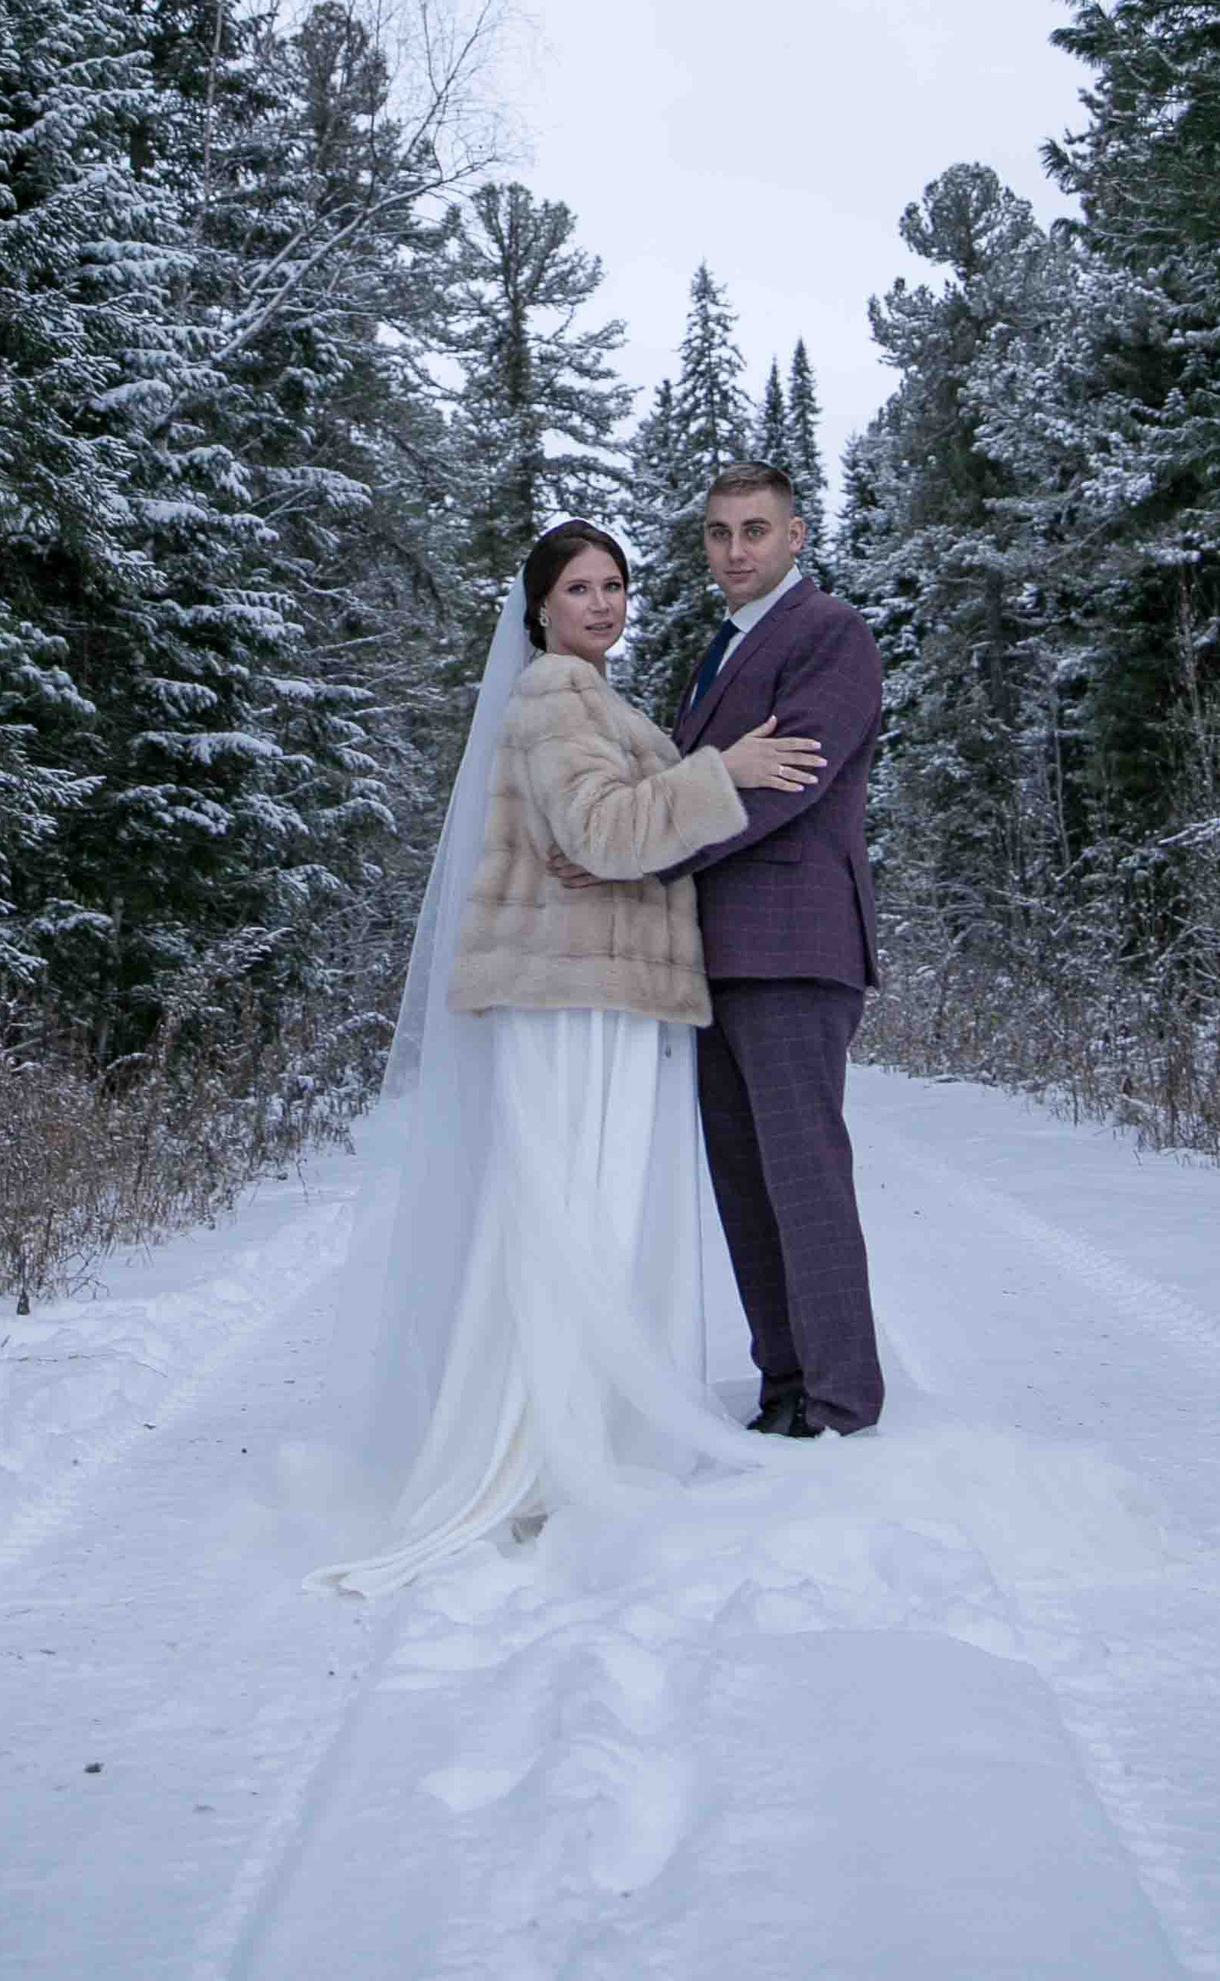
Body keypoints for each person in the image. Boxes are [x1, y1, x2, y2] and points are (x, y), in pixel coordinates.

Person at [314, 520, 822, 1599]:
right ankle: (548, 1448)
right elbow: (601, 832)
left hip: (600, 992)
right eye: (580, 587)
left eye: (615, 585)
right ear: (539, 607)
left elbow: (607, 831)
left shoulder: (593, 697)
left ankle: (579, 1429)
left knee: (590, 1216)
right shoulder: (556, 693)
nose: (602, 604)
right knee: (572, 1219)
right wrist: (722, 773)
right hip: (573, 998)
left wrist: (667, 802)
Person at [659, 463, 888, 1441]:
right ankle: (785, 1383)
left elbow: (787, 779)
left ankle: (840, 1399)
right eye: (719, 532)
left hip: (795, 944)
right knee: (746, 1184)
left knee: (804, 1177)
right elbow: (713, 774)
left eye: (755, 529)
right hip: (717, 953)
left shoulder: (829, 631)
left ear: (795, 535)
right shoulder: (720, 648)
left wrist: (648, 848)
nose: (735, 549)